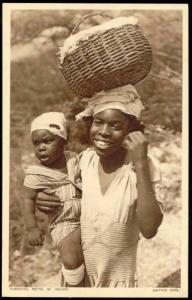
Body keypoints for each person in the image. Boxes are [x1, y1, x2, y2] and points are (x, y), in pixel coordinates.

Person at [36, 85, 164, 287]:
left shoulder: (144, 166)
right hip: (78, 281)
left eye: (116, 126)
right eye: (98, 122)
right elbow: (64, 201)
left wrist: (139, 163)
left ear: (130, 130)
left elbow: (149, 229)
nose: (104, 132)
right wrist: (42, 198)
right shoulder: (83, 162)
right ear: (91, 124)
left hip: (118, 284)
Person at [23, 112, 84, 287]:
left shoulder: (74, 159)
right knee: (71, 259)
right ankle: (74, 287)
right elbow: (27, 199)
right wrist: (32, 229)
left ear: (63, 141)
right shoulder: (35, 173)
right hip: (62, 221)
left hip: (88, 214)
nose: (41, 147)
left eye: (47, 141)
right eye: (36, 143)